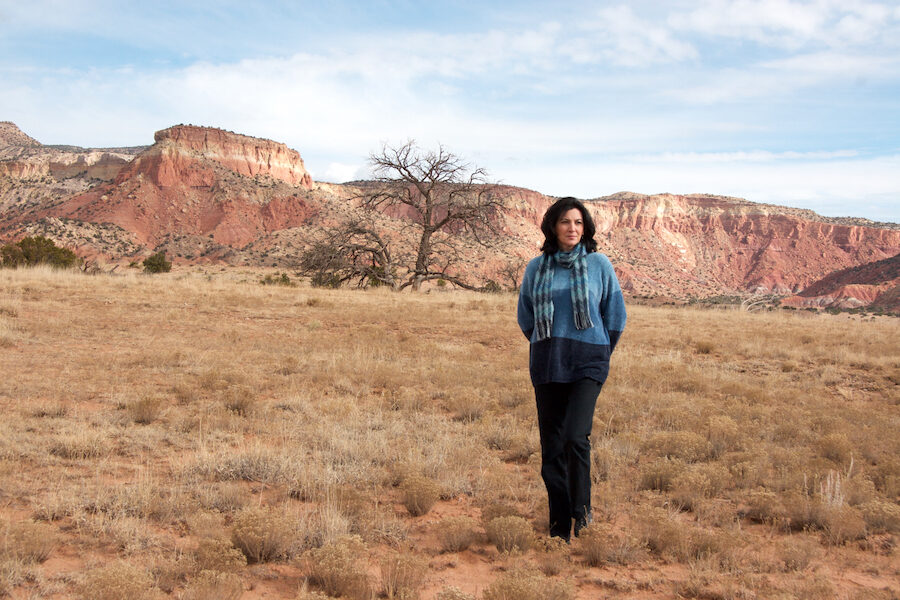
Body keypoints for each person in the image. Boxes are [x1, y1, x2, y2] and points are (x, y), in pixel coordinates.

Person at [517, 196, 627, 542]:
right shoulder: (537, 268)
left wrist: (599, 350)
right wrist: (545, 343)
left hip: (588, 362)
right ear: (553, 226)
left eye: (579, 223)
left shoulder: (599, 265)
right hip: (548, 361)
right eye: (566, 222)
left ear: (586, 228)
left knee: (574, 437)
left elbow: (615, 314)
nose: (572, 229)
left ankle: (582, 513)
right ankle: (558, 526)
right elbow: (526, 317)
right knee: (552, 446)